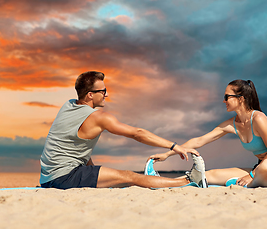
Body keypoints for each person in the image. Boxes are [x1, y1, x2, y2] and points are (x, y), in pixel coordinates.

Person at [40, 71, 207, 189]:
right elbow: (137, 133)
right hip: (64, 177)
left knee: (121, 179)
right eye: (103, 91)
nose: (106, 94)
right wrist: (174, 146)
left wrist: (91, 169)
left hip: (48, 178)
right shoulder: (99, 117)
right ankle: (188, 182)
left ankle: (167, 181)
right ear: (90, 95)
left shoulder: (68, 105)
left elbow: (75, 146)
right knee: (129, 176)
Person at [147, 79, 267, 188]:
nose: (223, 101)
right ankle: (162, 183)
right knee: (209, 175)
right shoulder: (232, 124)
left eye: (226, 97)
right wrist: (168, 153)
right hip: (259, 170)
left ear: (241, 99)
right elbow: (199, 141)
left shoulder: (259, 118)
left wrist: (251, 175)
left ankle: (248, 183)